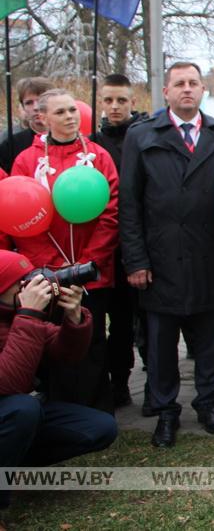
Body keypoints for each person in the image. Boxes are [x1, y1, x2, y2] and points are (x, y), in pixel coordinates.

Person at [119, 61, 214, 448]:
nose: (187, 89)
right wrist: (136, 261)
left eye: (193, 83)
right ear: (166, 92)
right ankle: (166, 411)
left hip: (210, 256)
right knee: (161, 344)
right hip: (160, 261)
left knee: (208, 341)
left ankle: (208, 404)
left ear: (203, 90)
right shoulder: (142, 136)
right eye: (179, 84)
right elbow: (130, 205)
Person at [10, 89, 118, 412]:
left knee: (92, 339)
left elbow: (111, 212)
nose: (70, 117)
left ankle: (97, 408)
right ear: (42, 118)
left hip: (91, 272)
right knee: (53, 342)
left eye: (73, 110)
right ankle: (59, 409)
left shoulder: (98, 156)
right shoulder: (26, 161)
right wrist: (52, 267)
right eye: (60, 112)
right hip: (47, 274)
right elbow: (21, 215)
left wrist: (87, 263)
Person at [0, 251, 118, 509]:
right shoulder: (23, 314)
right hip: (12, 408)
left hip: (13, 413)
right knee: (24, 408)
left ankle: (9, 465)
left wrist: (73, 318)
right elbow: (9, 382)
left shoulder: (16, 313)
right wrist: (30, 313)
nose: (30, 285)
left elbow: (66, 354)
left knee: (99, 427)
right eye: (21, 282)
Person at [92, 74, 149, 408]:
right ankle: (102, 383)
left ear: (132, 103)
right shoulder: (92, 143)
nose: (114, 107)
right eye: (108, 100)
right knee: (98, 326)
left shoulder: (141, 138)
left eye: (121, 101)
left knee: (129, 324)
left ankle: (126, 382)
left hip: (133, 248)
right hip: (99, 251)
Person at [1, 77, 52, 172]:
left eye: (41, 100)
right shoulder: (10, 145)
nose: (36, 107)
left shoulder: (72, 139)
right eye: (29, 103)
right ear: (23, 107)